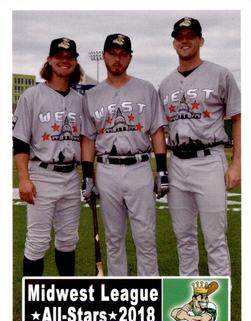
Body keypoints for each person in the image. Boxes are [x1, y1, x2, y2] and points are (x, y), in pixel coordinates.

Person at [158, 17, 241, 276]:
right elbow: (160, 128)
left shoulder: (220, 74)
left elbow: (238, 117)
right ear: (173, 43)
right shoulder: (166, 83)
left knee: (215, 238)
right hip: (178, 162)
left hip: (209, 158)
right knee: (184, 238)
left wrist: (237, 163)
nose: (185, 40)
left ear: (200, 40)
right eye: (180, 36)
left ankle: (220, 307)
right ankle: (188, 296)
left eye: (190, 36)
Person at [81, 33, 168, 276]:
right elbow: (88, 138)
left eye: (122, 54)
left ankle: (148, 291)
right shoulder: (92, 95)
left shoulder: (146, 89)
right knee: (114, 239)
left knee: (145, 237)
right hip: (107, 168)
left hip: (139, 166)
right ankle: (120, 293)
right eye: (112, 54)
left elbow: (157, 131)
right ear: (105, 55)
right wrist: (88, 175)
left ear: (129, 58)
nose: (117, 59)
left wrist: (162, 169)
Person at [13, 37, 85, 276]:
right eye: (59, 57)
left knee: (68, 240)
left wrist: (88, 176)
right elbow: (20, 140)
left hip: (71, 175)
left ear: (75, 62)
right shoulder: (32, 96)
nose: (64, 61)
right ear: (50, 60)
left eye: (69, 58)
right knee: (37, 242)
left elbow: (86, 142)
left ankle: (65, 298)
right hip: (42, 174)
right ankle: (33, 304)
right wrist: (24, 178)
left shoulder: (79, 100)